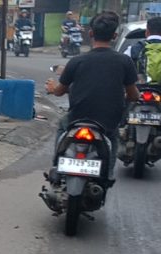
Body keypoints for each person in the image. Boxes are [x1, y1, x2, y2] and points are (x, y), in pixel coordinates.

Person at [46, 11, 138, 173]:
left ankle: (57, 163)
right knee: (112, 139)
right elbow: (133, 95)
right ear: (114, 36)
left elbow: (59, 91)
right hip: (108, 121)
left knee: (62, 126)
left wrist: (52, 87)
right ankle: (107, 175)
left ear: (90, 34)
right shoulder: (124, 61)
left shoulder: (76, 61)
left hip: (77, 118)